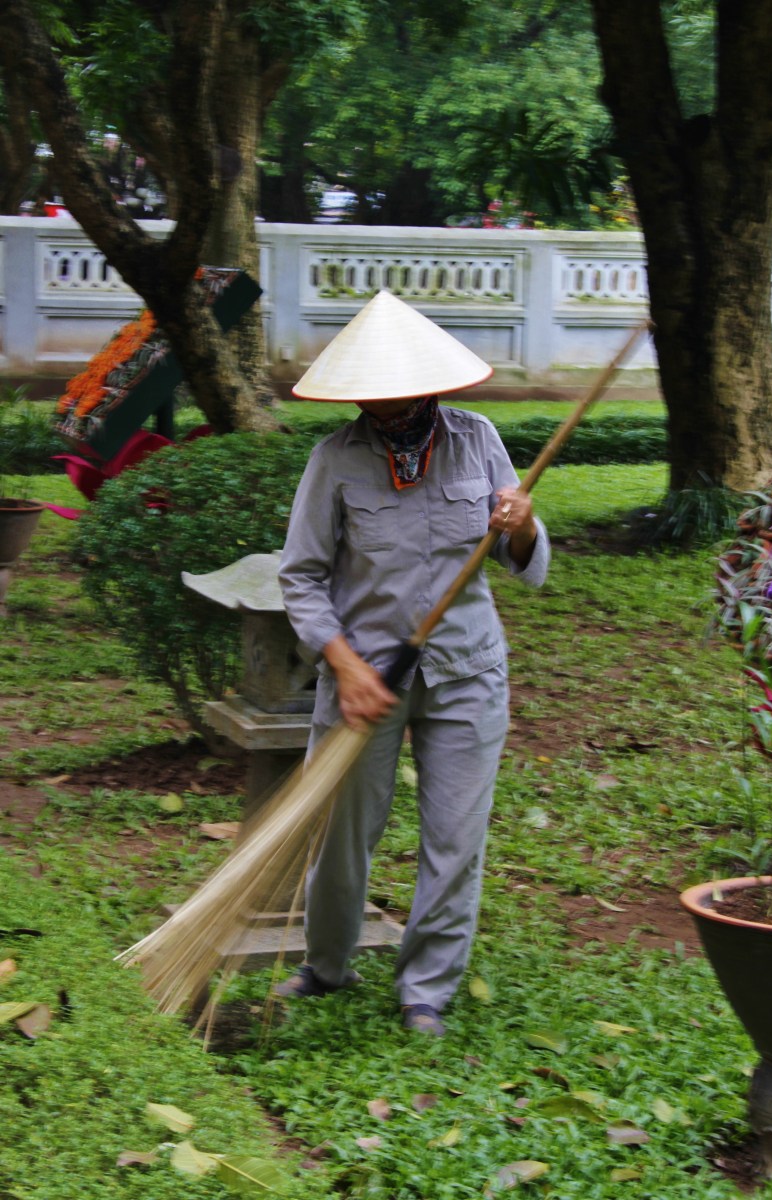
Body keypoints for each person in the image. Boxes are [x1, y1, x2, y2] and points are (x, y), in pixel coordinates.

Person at [276, 291, 550, 1036]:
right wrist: (342, 661)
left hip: (467, 673)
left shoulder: (478, 440)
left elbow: (528, 564)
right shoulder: (334, 460)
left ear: (426, 380)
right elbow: (299, 576)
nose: (381, 400)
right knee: (340, 833)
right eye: (368, 387)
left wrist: (520, 527)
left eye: (393, 384)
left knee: (456, 837)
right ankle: (326, 965)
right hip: (363, 680)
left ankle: (425, 988)